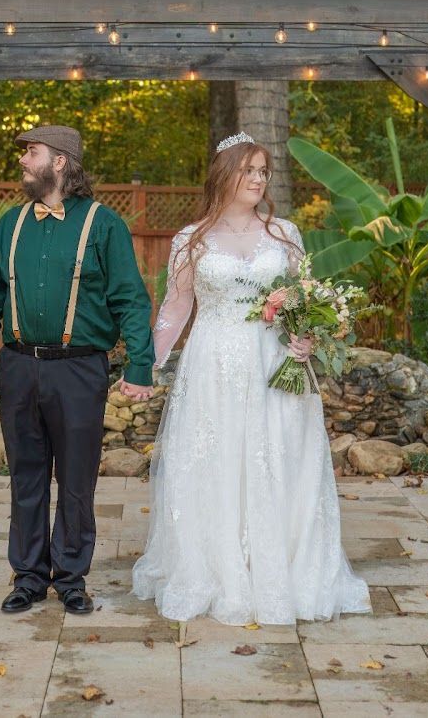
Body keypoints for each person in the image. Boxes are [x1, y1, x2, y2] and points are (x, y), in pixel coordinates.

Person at [132, 132, 371, 626]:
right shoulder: (191, 239)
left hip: (275, 364)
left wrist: (306, 337)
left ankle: (284, 569)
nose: (259, 179)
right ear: (225, 173)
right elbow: (176, 309)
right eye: (250, 170)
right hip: (213, 366)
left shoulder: (284, 234)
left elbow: (305, 300)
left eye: (264, 171)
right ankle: (218, 569)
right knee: (216, 461)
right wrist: (146, 365)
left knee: (284, 459)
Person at [0, 124, 154, 615]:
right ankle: (28, 576)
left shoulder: (103, 225)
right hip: (19, 368)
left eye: (32, 152)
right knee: (25, 476)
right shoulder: (9, 225)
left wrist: (140, 364)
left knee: (75, 479)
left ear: (62, 162)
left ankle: (70, 577)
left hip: (79, 371)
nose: (24, 161)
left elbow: (131, 299)